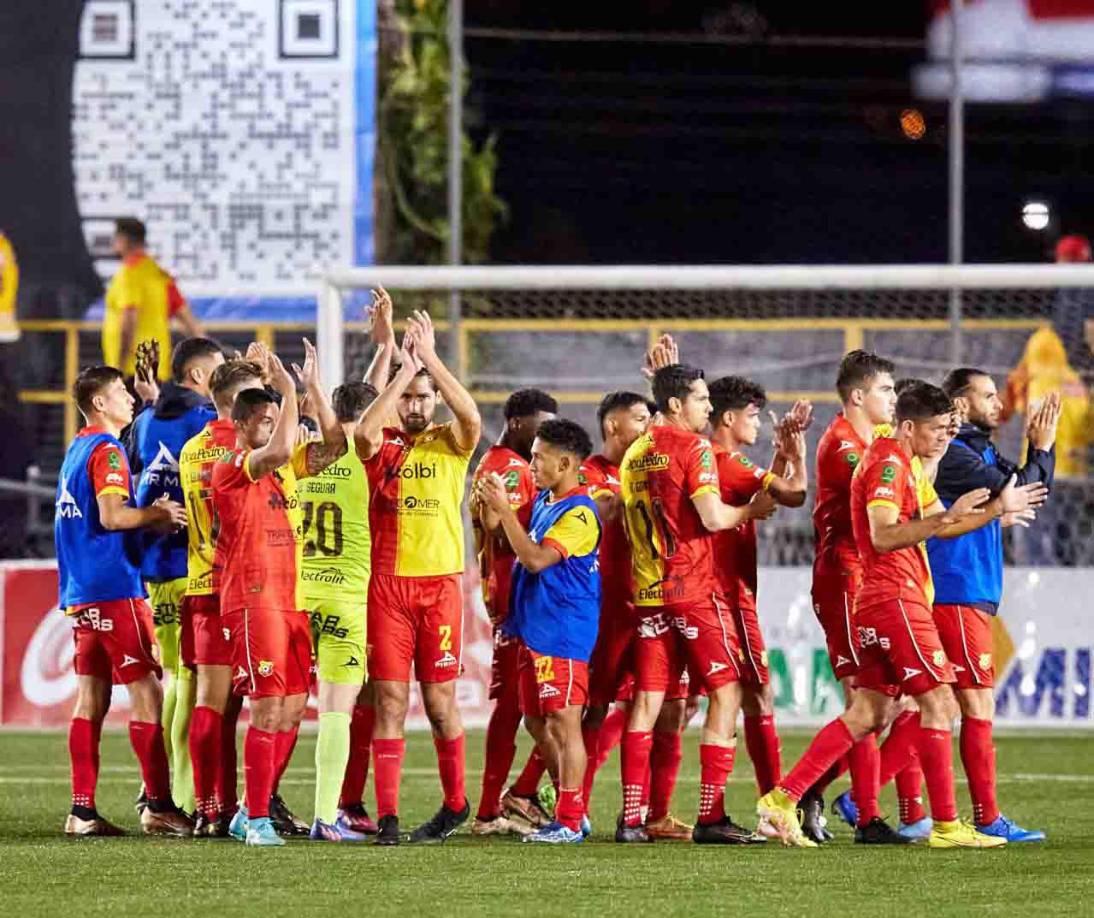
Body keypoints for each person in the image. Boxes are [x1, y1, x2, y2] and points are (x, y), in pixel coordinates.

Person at [757, 382, 1046, 849]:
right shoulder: (888, 463)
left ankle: (781, 800)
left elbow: (945, 524)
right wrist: (943, 519)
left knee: (869, 713)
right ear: (909, 427)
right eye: (936, 429)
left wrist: (995, 509)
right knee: (940, 704)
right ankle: (947, 826)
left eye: (947, 429)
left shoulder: (908, 464)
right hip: (894, 598)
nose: (943, 437)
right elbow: (883, 534)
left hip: (885, 599)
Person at [616, 364, 766, 845]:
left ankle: (631, 819)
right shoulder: (695, 447)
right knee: (727, 691)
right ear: (676, 404)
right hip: (692, 589)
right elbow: (713, 517)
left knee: (647, 702)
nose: (709, 406)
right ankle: (711, 815)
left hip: (648, 592)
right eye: (701, 399)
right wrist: (752, 510)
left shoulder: (635, 453)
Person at [352, 309, 482, 845]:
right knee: (388, 701)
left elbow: (471, 414)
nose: (415, 405)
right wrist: (403, 369)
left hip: (440, 588)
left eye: (423, 397)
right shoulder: (378, 445)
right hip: (387, 588)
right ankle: (387, 816)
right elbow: (363, 429)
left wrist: (428, 358)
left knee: (439, 704)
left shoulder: (451, 442)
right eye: (407, 397)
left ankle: (455, 804)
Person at [211, 342, 347, 847]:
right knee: (267, 708)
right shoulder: (233, 464)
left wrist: (312, 389)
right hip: (253, 599)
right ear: (242, 424)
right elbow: (279, 450)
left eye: (276, 421)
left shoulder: (282, 468)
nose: (273, 428)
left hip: (292, 599)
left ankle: (253, 808)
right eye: (265, 421)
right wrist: (288, 390)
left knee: (291, 708)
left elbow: (337, 448)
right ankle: (256, 818)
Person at [924, 367, 1058, 842]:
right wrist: (1041, 448)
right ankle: (986, 816)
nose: (999, 403)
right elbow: (1016, 490)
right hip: (956, 586)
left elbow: (1027, 491)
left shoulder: (978, 448)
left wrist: (1037, 455)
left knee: (925, 707)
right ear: (960, 404)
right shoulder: (957, 453)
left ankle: (858, 799)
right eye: (988, 395)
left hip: (969, 587)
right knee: (974, 702)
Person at [56, 366, 189, 836]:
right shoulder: (107, 451)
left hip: (81, 590)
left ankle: (82, 811)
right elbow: (112, 517)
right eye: (119, 393)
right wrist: (157, 513)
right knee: (148, 691)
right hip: (114, 587)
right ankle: (158, 805)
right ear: (99, 403)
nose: (129, 399)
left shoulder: (77, 448)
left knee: (90, 697)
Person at [478, 418, 601, 844]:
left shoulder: (580, 513)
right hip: (533, 628)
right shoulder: (548, 500)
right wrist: (491, 505)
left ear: (565, 463)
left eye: (537, 458)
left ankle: (569, 821)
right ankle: (573, 809)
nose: (529, 465)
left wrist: (505, 510)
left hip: (562, 632)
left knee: (565, 723)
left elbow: (533, 559)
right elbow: (500, 531)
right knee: (535, 720)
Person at [582, 390, 695, 839]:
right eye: (639, 419)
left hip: (656, 603)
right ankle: (573, 807)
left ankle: (656, 814)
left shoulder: (654, 464)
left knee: (673, 709)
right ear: (613, 426)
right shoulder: (592, 472)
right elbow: (603, 509)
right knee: (594, 709)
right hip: (611, 611)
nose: (648, 427)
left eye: (652, 417)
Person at [798, 350, 898, 842]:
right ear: (858, 395)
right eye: (886, 389)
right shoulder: (843, 443)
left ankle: (810, 790)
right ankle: (866, 816)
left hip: (867, 577)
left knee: (887, 706)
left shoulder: (876, 439)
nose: (894, 398)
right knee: (864, 699)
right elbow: (885, 496)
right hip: (844, 577)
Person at [705, 377, 810, 835]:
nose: (756, 424)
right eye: (751, 416)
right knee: (754, 694)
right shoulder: (725, 460)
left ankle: (644, 812)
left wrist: (780, 457)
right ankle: (773, 806)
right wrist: (797, 456)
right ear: (728, 418)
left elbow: (753, 495)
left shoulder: (709, 460)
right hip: (727, 594)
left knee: (666, 704)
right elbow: (794, 495)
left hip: (705, 590)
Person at [126, 337, 223, 814]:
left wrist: (150, 398)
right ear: (200, 376)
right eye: (219, 370)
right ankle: (182, 796)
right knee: (193, 680)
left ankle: (156, 787)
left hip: (153, 566)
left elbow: (134, 469)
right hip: (196, 564)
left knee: (174, 676)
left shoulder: (146, 420)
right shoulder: (206, 422)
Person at [179, 357, 266, 836]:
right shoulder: (242, 450)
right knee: (225, 704)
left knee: (219, 706)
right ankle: (214, 808)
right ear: (236, 403)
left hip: (198, 584)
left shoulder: (192, 448)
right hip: (234, 588)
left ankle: (217, 806)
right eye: (256, 397)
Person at [468, 388, 558, 836]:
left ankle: (506, 801)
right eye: (542, 429)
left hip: (508, 594)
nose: (546, 441)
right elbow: (498, 527)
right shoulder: (511, 468)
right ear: (519, 423)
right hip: (519, 596)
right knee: (538, 705)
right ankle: (499, 805)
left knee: (522, 705)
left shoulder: (497, 462)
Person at [300, 379, 380, 841]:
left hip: (297, 596)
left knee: (279, 713)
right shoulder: (368, 456)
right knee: (336, 713)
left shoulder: (305, 454)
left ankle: (254, 810)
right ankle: (325, 817)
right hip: (345, 598)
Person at [1003, 330, 1090, 564]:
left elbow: (1016, 408)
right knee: (1068, 538)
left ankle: (1034, 578)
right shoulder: (1075, 382)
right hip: (1073, 471)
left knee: (1033, 537)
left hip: (1040, 470)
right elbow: (1086, 426)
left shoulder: (1036, 382)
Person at [102, 218, 203, 380]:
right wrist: (207, 355)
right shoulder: (159, 275)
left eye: (115, 238)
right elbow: (190, 323)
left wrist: (119, 367)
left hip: (132, 370)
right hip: (157, 368)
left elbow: (129, 322)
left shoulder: (129, 274)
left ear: (123, 240)